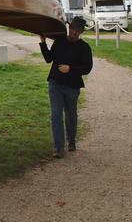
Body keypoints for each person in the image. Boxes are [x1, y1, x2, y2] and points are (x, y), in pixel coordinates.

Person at [39, 16, 93, 159]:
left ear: (81, 32)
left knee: (70, 114)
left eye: (77, 30)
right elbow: (48, 59)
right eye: (72, 29)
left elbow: (87, 68)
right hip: (55, 83)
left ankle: (71, 140)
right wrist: (43, 42)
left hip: (72, 86)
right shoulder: (60, 41)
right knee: (56, 115)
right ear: (69, 28)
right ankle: (58, 148)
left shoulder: (84, 48)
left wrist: (71, 69)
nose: (74, 32)